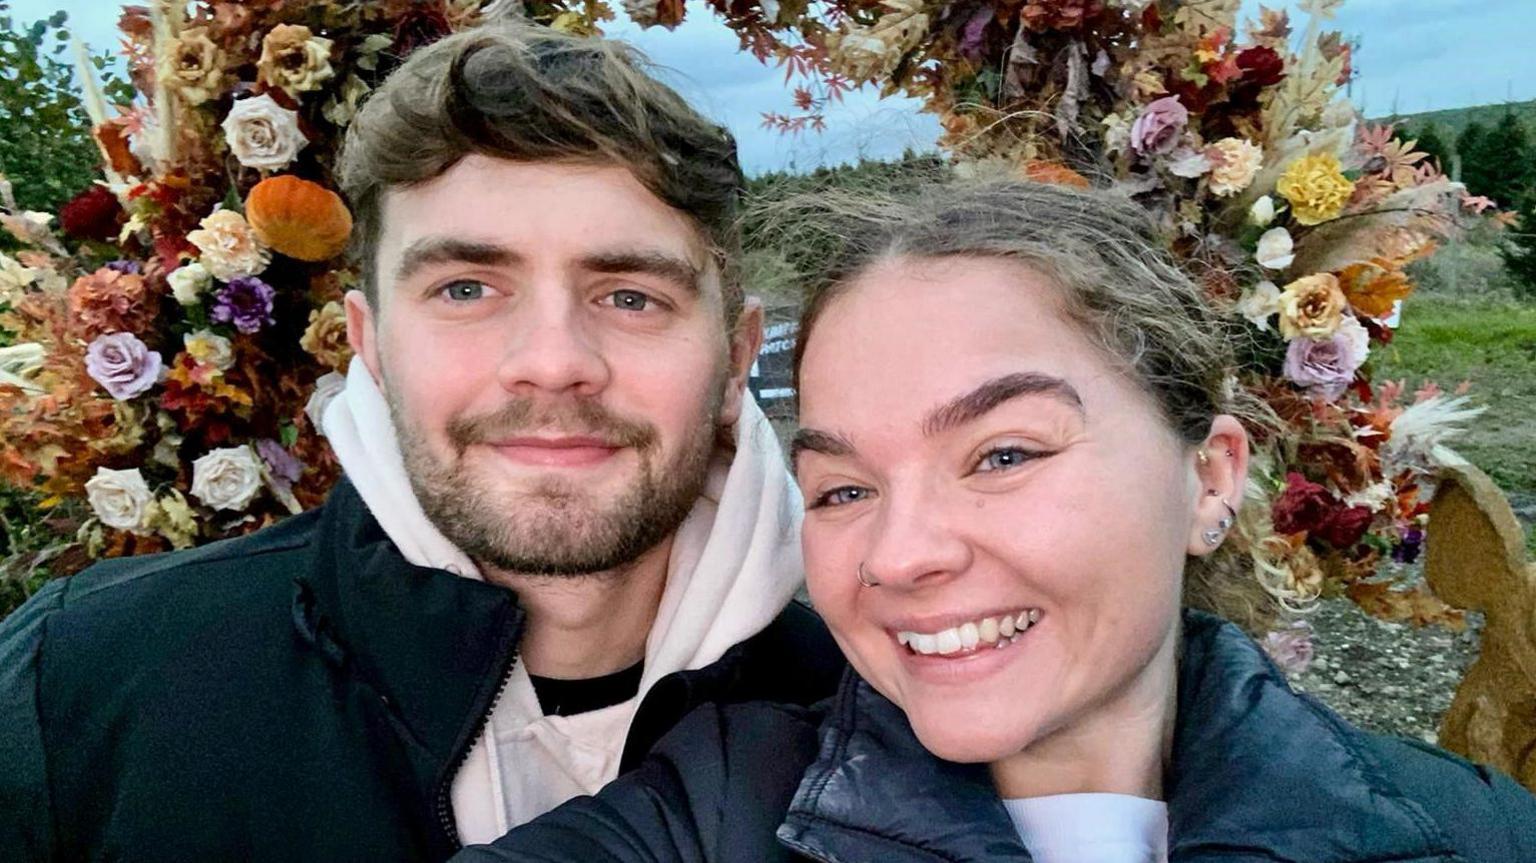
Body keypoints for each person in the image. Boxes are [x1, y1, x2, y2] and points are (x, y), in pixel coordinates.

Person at [453, 179, 1536, 863]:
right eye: (842, 488)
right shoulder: (717, 810)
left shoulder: (1469, 831)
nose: (902, 552)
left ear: (1208, 476)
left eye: (1004, 453)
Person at [0, 23, 841, 862]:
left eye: (630, 296)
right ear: (369, 343)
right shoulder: (79, 695)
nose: (552, 364)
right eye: (466, 288)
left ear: (735, 355)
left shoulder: (869, 711)